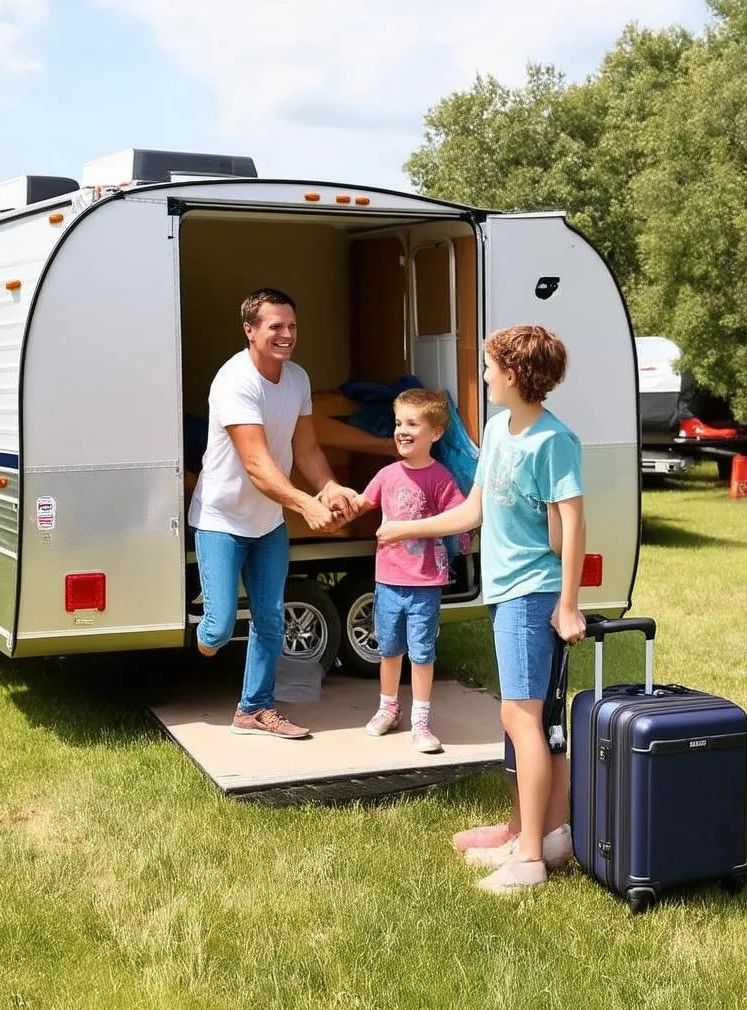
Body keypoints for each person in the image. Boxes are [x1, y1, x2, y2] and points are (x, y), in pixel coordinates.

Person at [377, 324, 586, 893]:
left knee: (523, 720)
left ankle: (530, 861)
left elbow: (572, 524)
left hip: (531, 594)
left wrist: (568, 605)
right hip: (506, 593)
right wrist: (404, 529)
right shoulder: (498, 429)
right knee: (536, 723)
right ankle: (536, 833)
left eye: (491, 367)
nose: (484, 375)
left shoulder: (553, 441)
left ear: (516, 374)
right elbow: (473, 511)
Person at [188, 287, 360, 739]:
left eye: (292, 326)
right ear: (250, 330)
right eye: (275, 327)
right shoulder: (234, 381)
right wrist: (306, 504)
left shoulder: (298, 379)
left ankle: (255, 708)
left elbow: (304, 448)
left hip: (268, 524)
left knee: (270, 617)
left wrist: (328, 487)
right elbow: (258, 465)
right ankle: (208, 638)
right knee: (220, 626)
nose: (286, 335)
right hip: (222, 520)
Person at [357, 388, 467, 753]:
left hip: (425, 584)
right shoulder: (387, 475)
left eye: (413, 424)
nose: (402, 430)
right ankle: (388, 708)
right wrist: (334, 502)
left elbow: (459, 517)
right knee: (389, 650)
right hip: (388, 581)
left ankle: (421, 720)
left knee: (422, 653)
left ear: (435, 433)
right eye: (398, 422)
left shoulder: (440, 478)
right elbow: (361, 502)